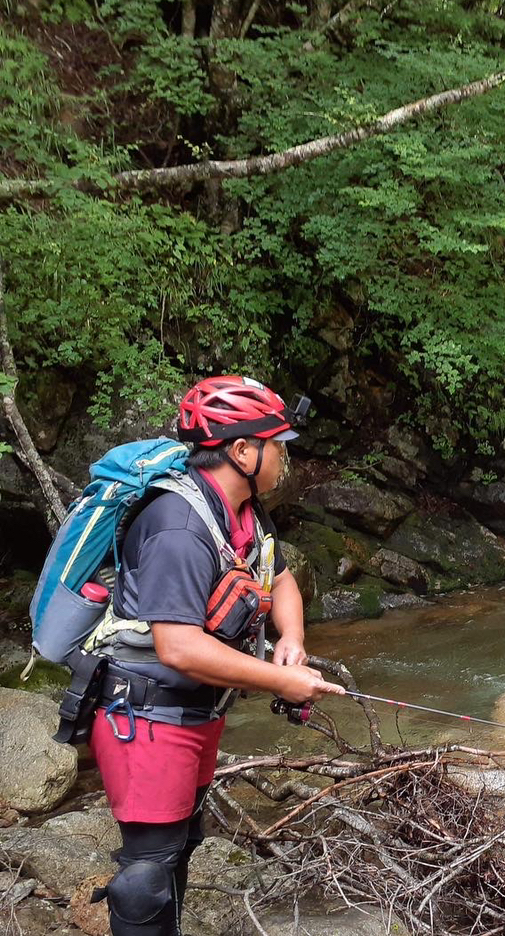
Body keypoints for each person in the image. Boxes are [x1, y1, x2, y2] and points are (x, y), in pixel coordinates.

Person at [85, 375, 344, 936]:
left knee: (180, 847)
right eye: (279, 444)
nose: (285, 457)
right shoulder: (178, 526)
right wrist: (280, 684)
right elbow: (177, 646)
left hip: (194, 713)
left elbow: (283, 581)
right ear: (243, 450)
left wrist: (291, 644)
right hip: (144, 716)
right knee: (147, 872)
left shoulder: (244, 514)